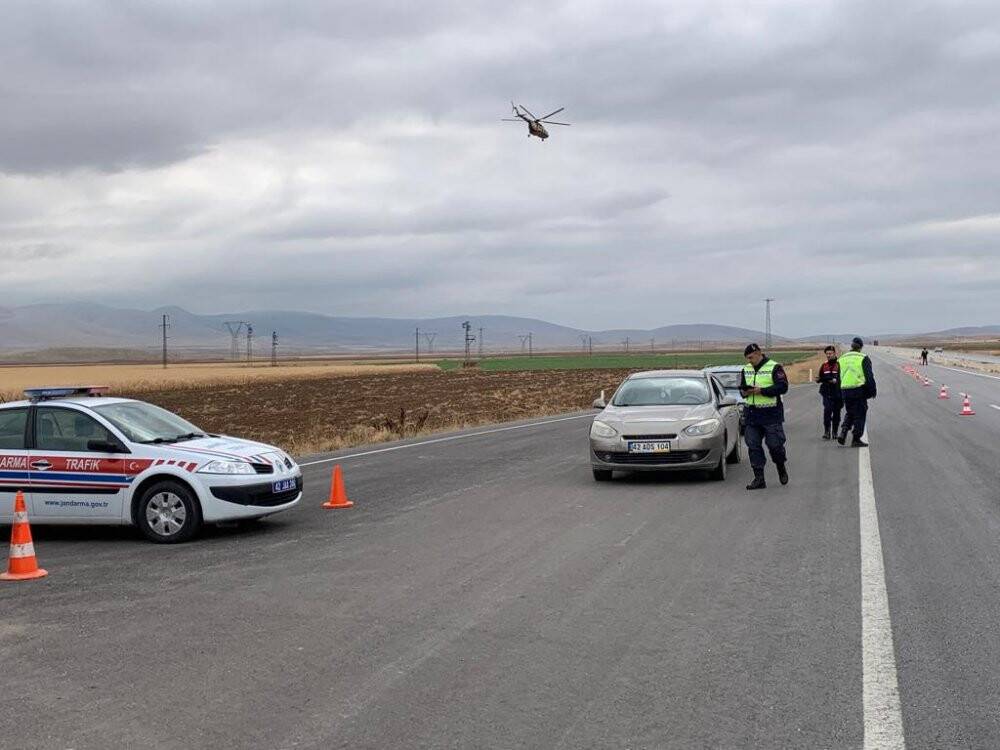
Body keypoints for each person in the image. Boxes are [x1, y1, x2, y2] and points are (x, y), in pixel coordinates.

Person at [740, 343, 789, 490]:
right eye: (747, 358)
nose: (749, 360)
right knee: (753, 446)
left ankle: (781, 466)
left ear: (759, 353)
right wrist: (745, 392)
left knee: (775, 445)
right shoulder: (746, 369)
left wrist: (761, 391)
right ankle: (759, 478)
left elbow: (783, 387)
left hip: (771, 414)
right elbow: (742, 387)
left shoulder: (774, 367)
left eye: (751, 357)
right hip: (752, 415)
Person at [838, 337, 876, 447]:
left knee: (850, 412)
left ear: (852, 346)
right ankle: (856, 438)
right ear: (861, 347)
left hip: (845, 389)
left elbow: (838, 376)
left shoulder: (842, 358)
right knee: (860, 413)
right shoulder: (863, 358)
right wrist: (872, 391)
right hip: (858, 389)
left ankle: (843, 432)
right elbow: (869, 376)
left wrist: (840, 392)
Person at [816, 345, 842, 440]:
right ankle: (827, 431)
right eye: (827, 354)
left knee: (836, 413)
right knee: (827, 411)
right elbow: (820, 377)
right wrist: (819, 380)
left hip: (838, 393)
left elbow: (842, 378)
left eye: (830, 353)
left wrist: (835, 381)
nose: (828, 355)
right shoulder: (824, 365)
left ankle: (835, 432)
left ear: (834, 353)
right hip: (826, 392)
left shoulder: (840, 364)